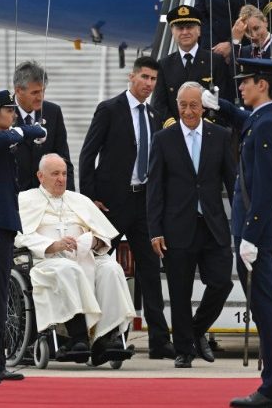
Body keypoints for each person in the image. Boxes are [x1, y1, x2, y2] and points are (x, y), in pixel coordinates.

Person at [79, 56, 174, 360]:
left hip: (144, 203)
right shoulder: (110, 109)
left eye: (154, 80)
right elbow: (87, 154)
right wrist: (90, 199)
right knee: (101, 264)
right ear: (131, 77)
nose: (149, 84)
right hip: (112, 203)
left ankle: (159, 340)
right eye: (144, 77)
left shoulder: (155, 115)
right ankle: (99, 335)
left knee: (150, 270)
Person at [16, 153, 136, 366]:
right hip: (47, 261)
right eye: (55, 174)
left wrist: (93, 242)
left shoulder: (80, 200)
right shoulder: (26, 200)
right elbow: (19, 236)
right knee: (68, 269)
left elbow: (104, 237)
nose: (61, 179)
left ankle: (105, 339)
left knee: (111, 269)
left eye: (64, 174)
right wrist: (53, 245)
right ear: (40, 176)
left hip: (84, 257)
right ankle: (78, 337)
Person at [147, 81, 235, 369]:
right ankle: (184, 350)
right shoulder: (163, 139)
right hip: (176, 227)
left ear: (203, 107)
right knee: (180, 291)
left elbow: (233, 183)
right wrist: (155, 230)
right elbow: (155, 189)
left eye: (194, 105)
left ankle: (196, 332)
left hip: (213, 225)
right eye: (183, 105)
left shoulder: (220, 136)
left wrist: (243, 223)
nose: (188, 110)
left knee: (221, 282)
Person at [0, 90, 46, 380]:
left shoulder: (2, 139)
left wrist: (27, 131)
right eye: (9, 110)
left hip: (3, 224)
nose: (13, 115)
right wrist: (21, 132)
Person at [227, 58, 272, 408]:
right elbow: (243, 120)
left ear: (262, 85)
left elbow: (266, 186)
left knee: (266, 310)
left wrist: (251, 233)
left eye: (246, 81)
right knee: (265, 308)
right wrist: (218, 105)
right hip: (259, 231)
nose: (241, 87)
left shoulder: (268, 125)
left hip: (259, 234)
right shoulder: (263, 119)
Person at [152, 5, 232, 128]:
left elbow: (224, 99)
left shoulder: (215, 61)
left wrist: (206, 125)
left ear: (199, 30)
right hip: (176, 134)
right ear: (173, 32)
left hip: (209, 133)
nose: (185, 32)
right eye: (180, 28)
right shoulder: (164, 64)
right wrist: (174, 126)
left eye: (189, 27)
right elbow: (159, 104)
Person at [12, 60, 75, 191]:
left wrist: (68, 196)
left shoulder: (53, 112)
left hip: (46, 197)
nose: (40, 97)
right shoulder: (1, 112)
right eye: (35, 92)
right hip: (12, 198)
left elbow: (64, 160)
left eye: (43, 91)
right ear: (18, 91)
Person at [194, 0, 266, 61]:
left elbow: (256, 13)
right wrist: (214, 46)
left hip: (243, 47)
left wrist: (232, 43)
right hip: (213, 48)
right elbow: (200, 15)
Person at [231, 5, 272, 69]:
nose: (253, 35)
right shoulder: (244, 52)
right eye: (248, 31)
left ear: (265, 22)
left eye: (256, 28)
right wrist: (235, 40)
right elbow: (234, 77)